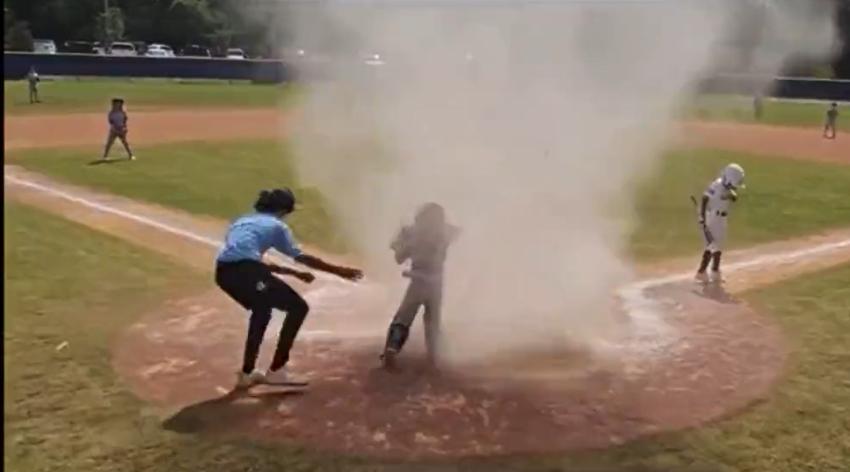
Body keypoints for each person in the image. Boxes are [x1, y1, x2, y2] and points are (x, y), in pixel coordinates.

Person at [216, 188, 363, 389]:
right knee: (298, 307)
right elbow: (301, 257)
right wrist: (339, 271)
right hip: (246, 272)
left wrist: (294, 273)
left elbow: (250, 262)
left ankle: (247, 373)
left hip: (223, 274)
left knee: (262, 311)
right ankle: (277, 370)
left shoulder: (242, 221)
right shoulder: (277, 226)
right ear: (283, 210)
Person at [381, 203, 459, 369]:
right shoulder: (444, 233)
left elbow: (399, 258)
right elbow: (456, 232)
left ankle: (392, 348)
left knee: (404, 318)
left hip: (418, 279)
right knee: (432, 321)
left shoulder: (413, 235)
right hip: (435, 281)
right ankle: (433, 357)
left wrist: (400, 242)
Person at [695, 164, 745, 284]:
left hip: (722, 219)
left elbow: (733, 196)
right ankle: (701, 272)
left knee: (718, 247)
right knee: (712, 247)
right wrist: (702, 217)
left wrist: (731, 195)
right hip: (713, 219)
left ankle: (714, 272)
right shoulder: (716, 185)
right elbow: (705, 198)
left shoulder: (727, 187)